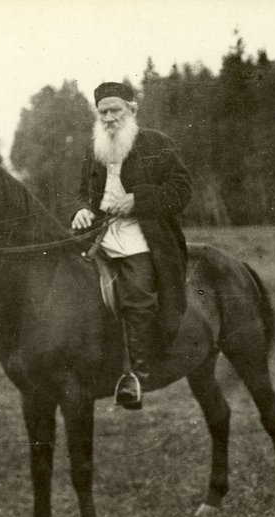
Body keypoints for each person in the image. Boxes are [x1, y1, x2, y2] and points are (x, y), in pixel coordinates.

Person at [72, 81, 192, 409]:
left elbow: (181, 190)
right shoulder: (94, 148)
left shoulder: (157, 143)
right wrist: (81, 209)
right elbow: (83, 190)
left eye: (116, 110)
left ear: (132, 110)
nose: (109, 118)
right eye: (103, 112)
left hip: (142, 234)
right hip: (98, 235)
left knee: (138, 299)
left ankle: (135, 376)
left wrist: (138, 200)